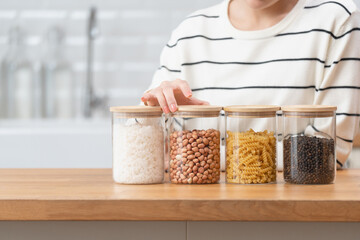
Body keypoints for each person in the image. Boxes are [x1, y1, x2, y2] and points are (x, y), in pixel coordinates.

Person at [141, 0, 360, 167]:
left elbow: (329, 151)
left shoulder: (336, 19)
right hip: (202, 208)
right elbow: (149, 152)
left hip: (302, 207)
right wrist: (153, 112)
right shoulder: (188, 34)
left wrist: (199, 158)